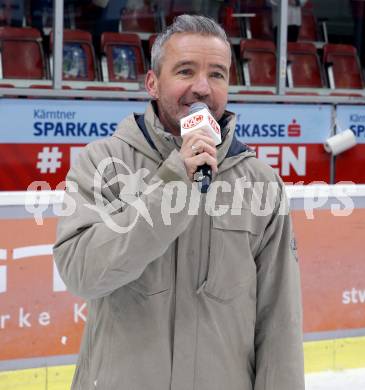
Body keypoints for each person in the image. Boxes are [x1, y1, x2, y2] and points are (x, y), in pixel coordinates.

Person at [53, 14, 305, 390]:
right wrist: (174, 183)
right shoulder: (102, 164)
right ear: (153, 83)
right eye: (185, 71)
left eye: (217, 74)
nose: (202, 88)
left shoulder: (261, 183)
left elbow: (279, 319)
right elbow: (82, 274)